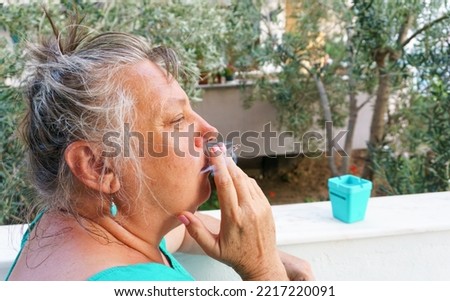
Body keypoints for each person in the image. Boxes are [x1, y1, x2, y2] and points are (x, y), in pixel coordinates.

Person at [5, 12, 314, 281]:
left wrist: (263, 249)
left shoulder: (68, 224)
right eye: (177, 120)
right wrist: (264, 271)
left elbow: (175, 231)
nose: (209, 131)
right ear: (98, 166)